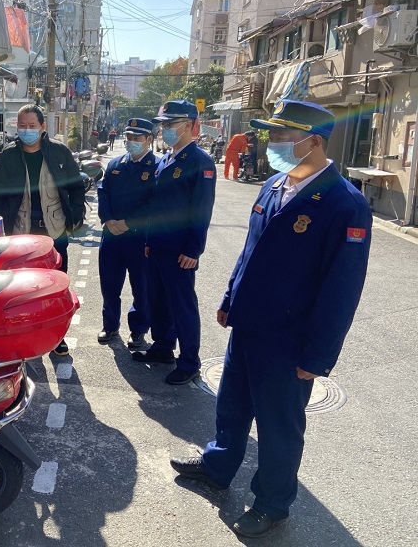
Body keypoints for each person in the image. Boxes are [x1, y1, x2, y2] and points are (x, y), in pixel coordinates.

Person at [170, 100, 372, 538]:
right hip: (248, 324)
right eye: (272, 135)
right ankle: (218, 465)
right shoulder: (276, 185)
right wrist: (229, 299)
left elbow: (342, 290)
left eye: (281, 136)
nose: (271, 143)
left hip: (290, 339)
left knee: (279, 425)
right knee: (232, 403)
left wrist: (318, 357)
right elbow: (250, 252)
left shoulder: (344, 203)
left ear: (313, 142)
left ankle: (273, 502)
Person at [0, 103, 86, 356]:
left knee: (55, 286)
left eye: (32, 126)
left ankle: (58, 336)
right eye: (22, 126)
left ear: (43, 127)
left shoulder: (59, 153)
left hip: (54, 230)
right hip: (20, 233)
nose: (26, 130)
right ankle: (26, 335)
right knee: (23, 289)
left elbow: (77, 186)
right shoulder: (7, 156)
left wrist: (75, 217)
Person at [132, 100, 216, 385]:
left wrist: (194, 249)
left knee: (182, 305)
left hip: (180, 250)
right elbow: (156, 206)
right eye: (164, 125)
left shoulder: (199, 161)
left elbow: (201, 209)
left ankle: (190, 360)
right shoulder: (167, 158)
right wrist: (147, 240)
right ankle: (163, 347)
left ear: (191, 125)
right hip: (157, 245)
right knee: (158, 300)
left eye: (171, 124)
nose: (165, 130)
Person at [96, 118, 157, 348]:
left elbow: (154, 203)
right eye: (129, 137)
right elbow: (103, 193)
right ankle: (110, 325)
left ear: (149, 140)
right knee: (109, 284)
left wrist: (128, 223)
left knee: (141, 286)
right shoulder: (115, 164)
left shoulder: (156, 167)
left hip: (139, 237)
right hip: (112, 235)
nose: (131, 142)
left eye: (137, 138)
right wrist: (109, 219)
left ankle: (139, 329)